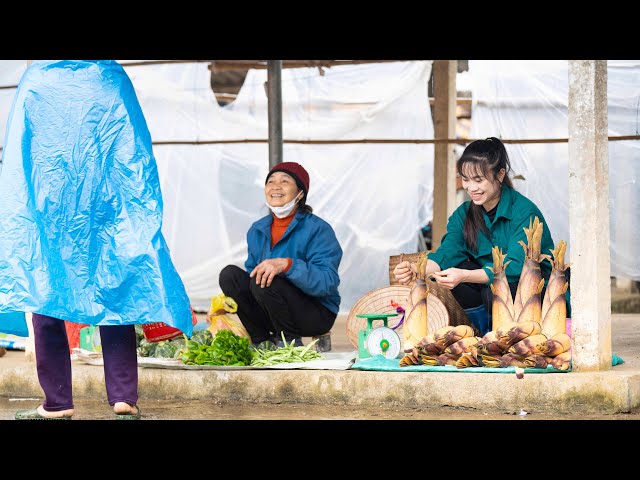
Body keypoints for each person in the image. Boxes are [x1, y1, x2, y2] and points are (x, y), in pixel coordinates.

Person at [0, 60, 193, 420]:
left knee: (46, 291)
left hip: (49, 208)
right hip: (108, 206)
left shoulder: (37, 77)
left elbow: (17, 160)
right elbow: (135, 155)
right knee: (115, 290)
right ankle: (123, 398)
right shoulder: (110, 76)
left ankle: (57, 403)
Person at [393, 137, 566, 335]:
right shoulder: (463, 214)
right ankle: (483, 332)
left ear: (500, 175)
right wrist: (417, 269)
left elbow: (515, 267)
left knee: (493, 286)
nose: (471, 188)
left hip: (533, 293)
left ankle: (510, 334)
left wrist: (465, 275)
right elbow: (448, 253)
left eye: (478, 180)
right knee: (464, 273)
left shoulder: (525, 212)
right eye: (466, 180)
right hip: (490, 293)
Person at [219, 161, 342, 347]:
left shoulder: (318, 229)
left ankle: (290, 343)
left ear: (300, 194)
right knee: (231, 275)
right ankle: (262, 342)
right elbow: (253, 277)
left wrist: (288, 265)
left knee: (269, 277)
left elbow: (326, 282)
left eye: (285, 181)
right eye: (270, 182)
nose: (276, 186)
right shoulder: (257, 230)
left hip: (314, 313)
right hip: (273, 311)